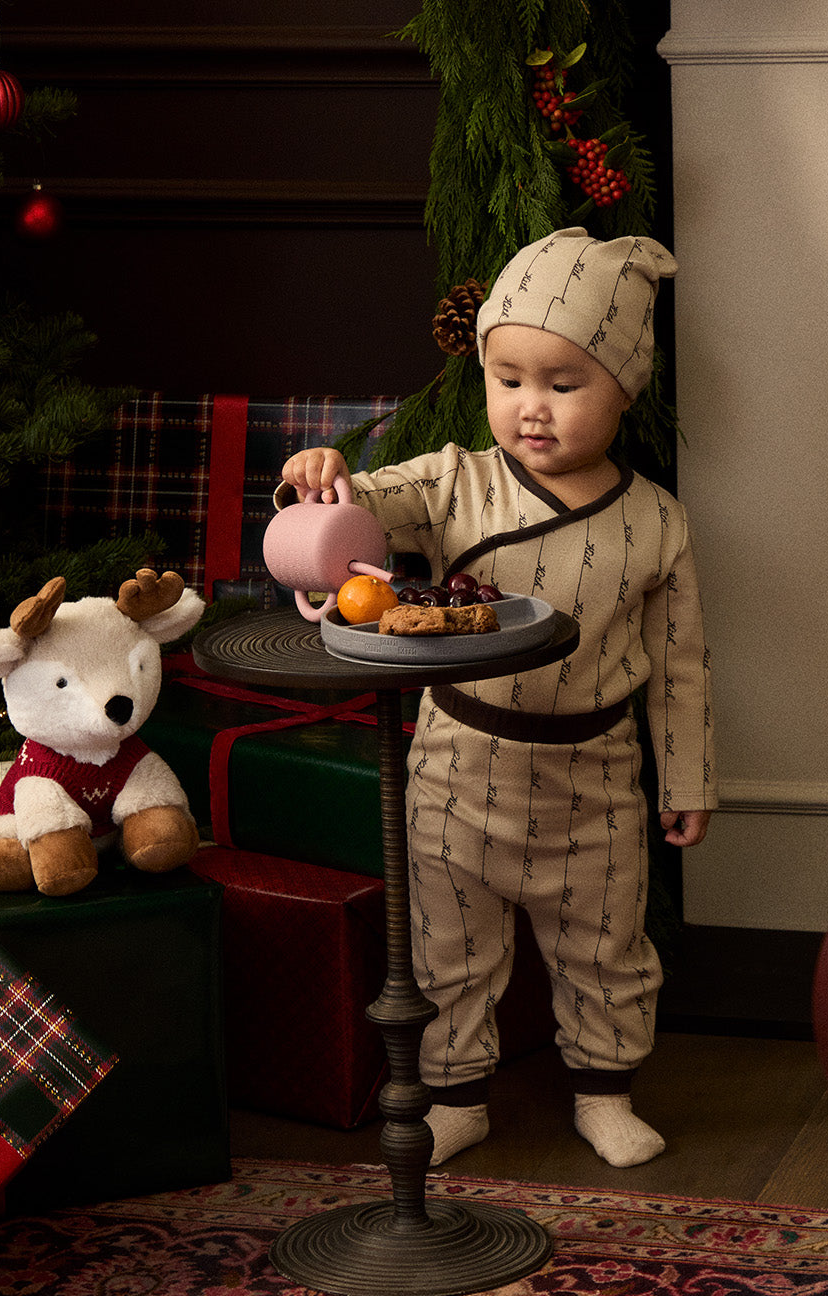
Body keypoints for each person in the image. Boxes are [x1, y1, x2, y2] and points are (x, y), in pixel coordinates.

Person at [278, 227, 716, 1168]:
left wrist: (688, 780)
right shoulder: (454, 484)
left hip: (595, 777)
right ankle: (456, 1098)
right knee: (448, 948)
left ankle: (605, 1092)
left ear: (624, 387)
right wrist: (323, 480)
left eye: (564, 383)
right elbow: (365, 504)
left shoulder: (656, 521)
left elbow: (679, 664)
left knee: (605, 945)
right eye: (508, 379)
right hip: (458, 767)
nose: (532, 407)